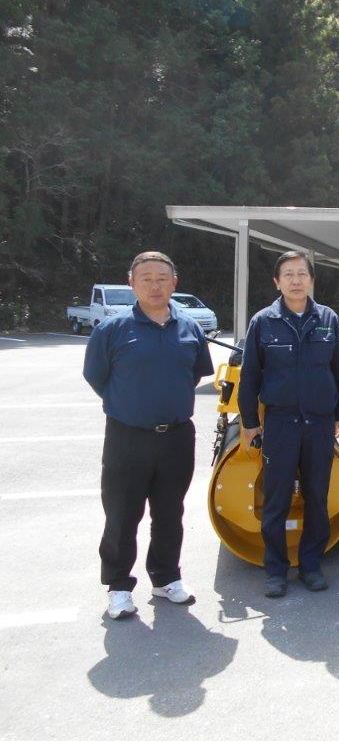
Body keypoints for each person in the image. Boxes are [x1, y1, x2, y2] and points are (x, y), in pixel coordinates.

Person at [83, 251, 214, 620]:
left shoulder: (190, 328)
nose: (155, 285)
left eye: (162, 278)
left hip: (176, 437)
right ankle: (119, 587)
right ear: (132, 283)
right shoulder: (112, 329)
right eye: (146, 279)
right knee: (122, 514)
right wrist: (132, 404)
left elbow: (195, 373)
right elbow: (96, 377)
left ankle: (166, 578)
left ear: (175, 283)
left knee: (170, 512)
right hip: (127, 437)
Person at [238, 251, 339, 598]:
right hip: (281, 424)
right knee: (277, 499)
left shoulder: (327, 319)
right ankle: (275, 570)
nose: (296, 280)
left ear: (311, 280)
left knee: (317, 497)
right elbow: (250, 376)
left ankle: (311, 566)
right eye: (288, 274)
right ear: (277, 282)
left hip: (319, 424)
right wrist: (249, 421)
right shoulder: (263, 322)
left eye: (302, 273)